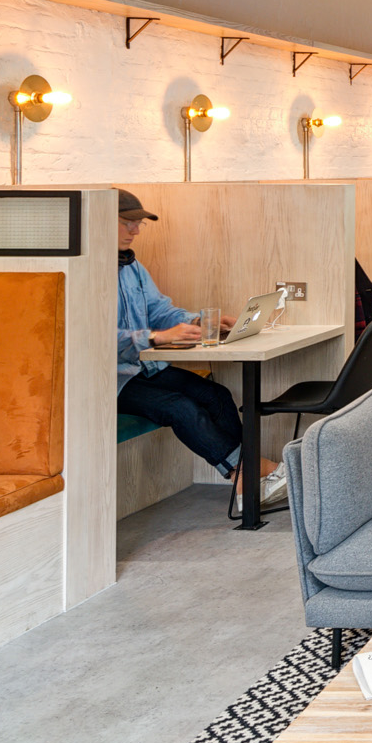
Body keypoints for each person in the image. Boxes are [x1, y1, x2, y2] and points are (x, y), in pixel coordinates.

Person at [113, 190, 285, 507]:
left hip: (144, 368)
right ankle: (246, 474)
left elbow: (161, 310)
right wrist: (156, 339)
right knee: (179, 407)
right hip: (110, 381)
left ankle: (246, 477)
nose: (136, 231)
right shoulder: (86, 273)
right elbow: (91, 337)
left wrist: (201, 321)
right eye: (128, 223)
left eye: (139, 224)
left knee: (215, 394)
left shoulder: (133, 267)